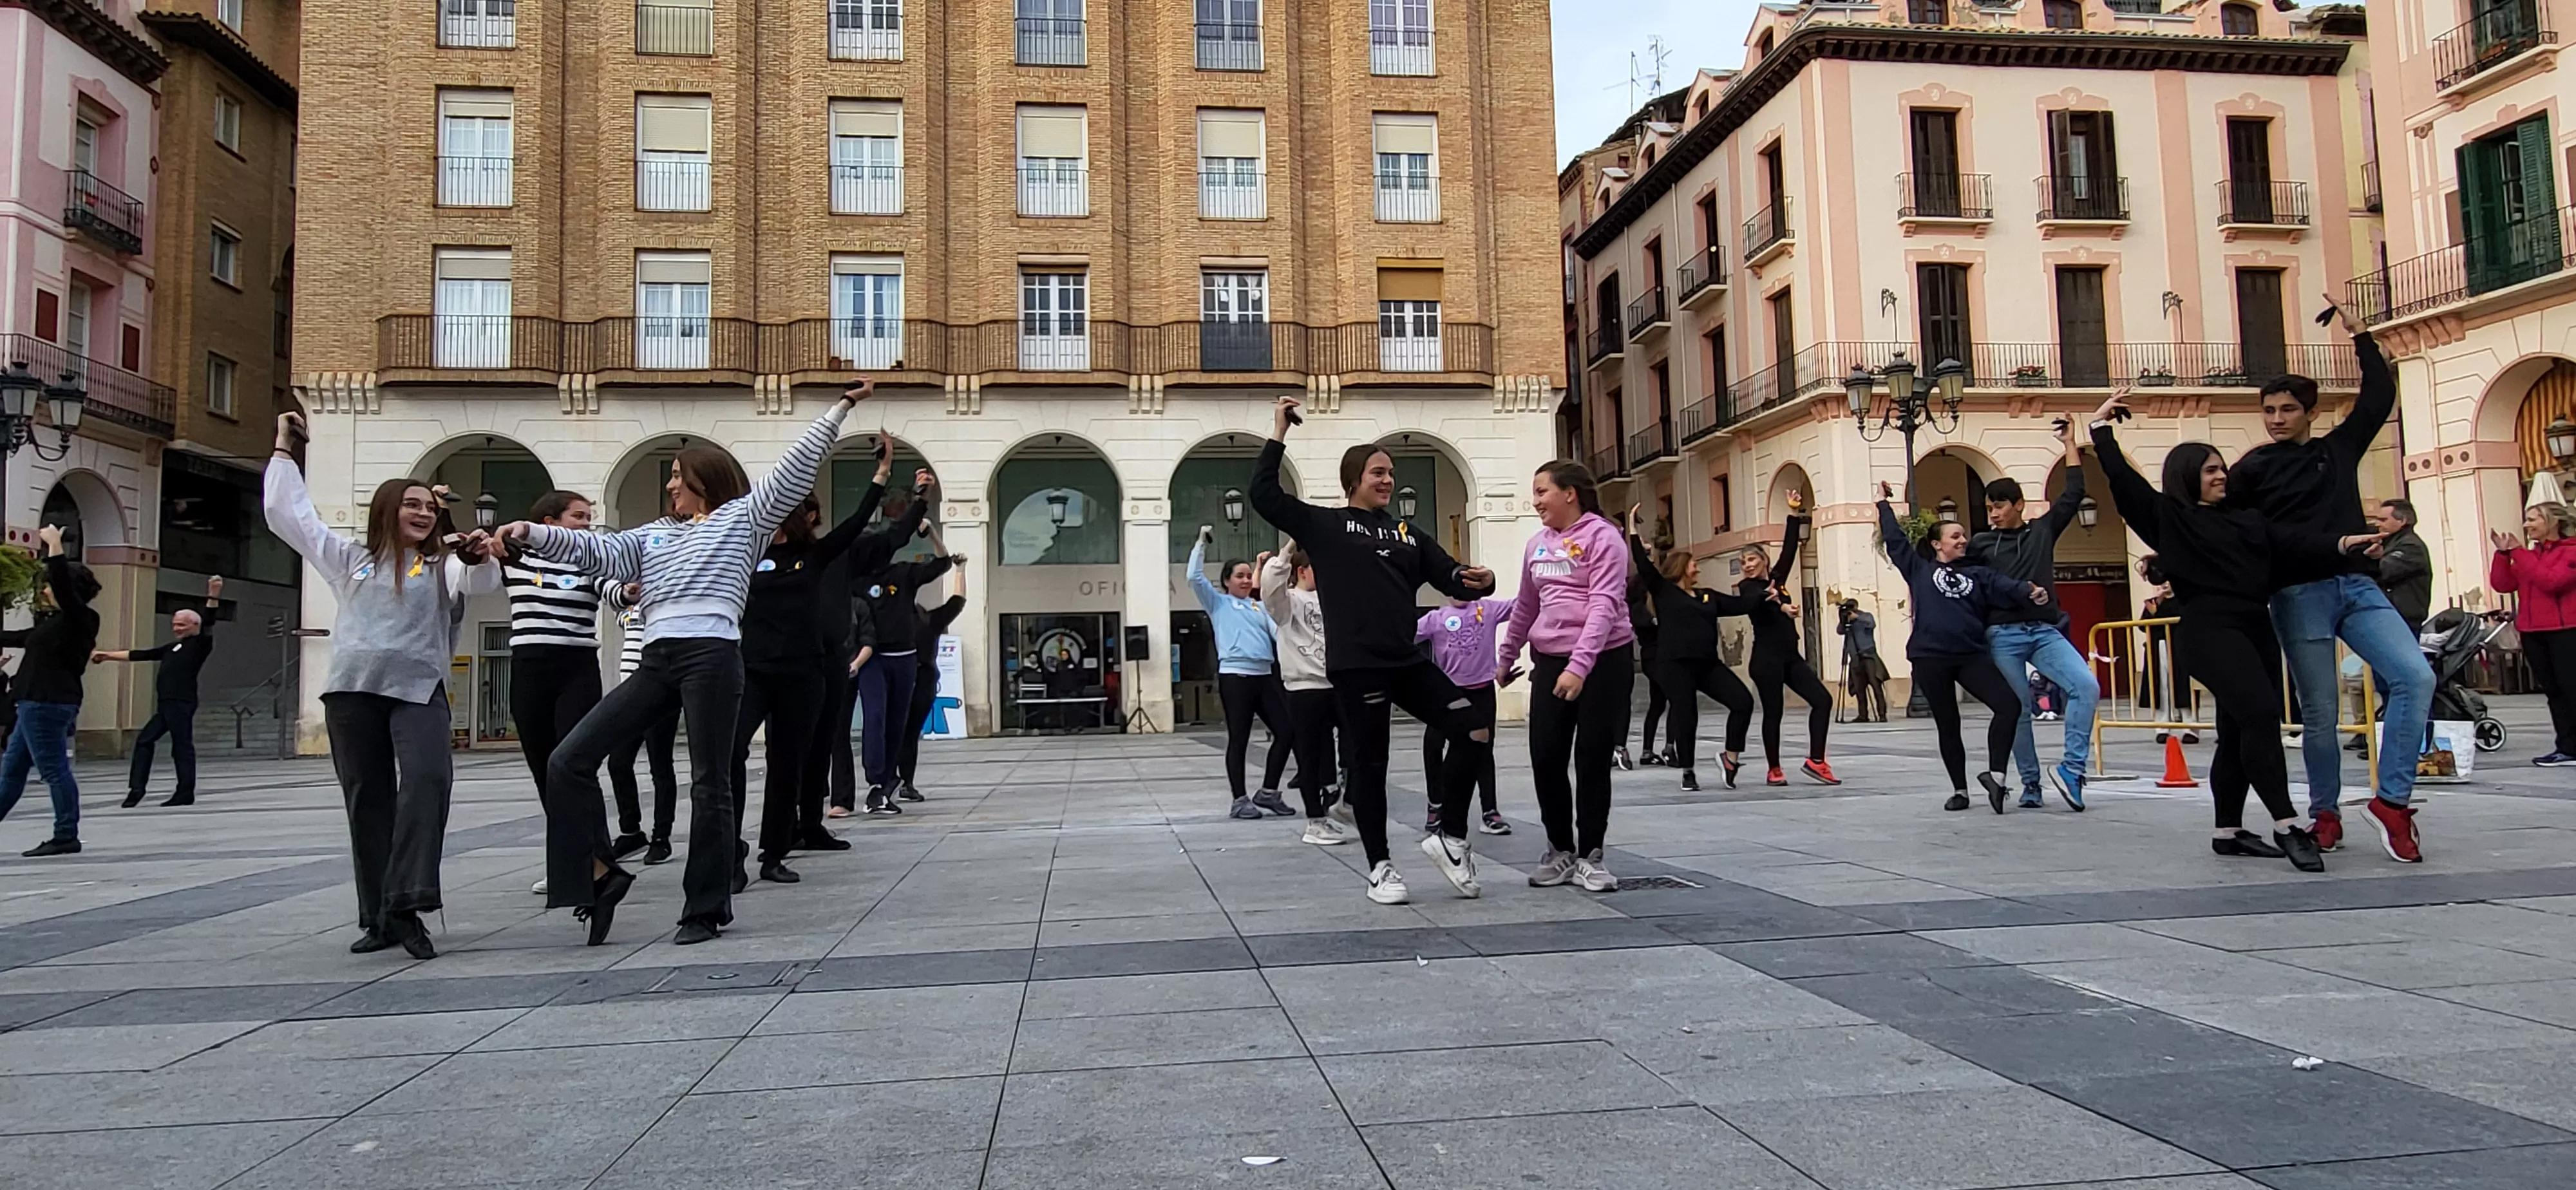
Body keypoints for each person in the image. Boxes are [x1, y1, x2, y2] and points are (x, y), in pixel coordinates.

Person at [499, 382, 870, 947]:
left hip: (713, 655)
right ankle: (597, 877)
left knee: (709, 782)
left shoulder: (743, 520)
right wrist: (530, 533)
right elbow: (595, 551)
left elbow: (793, 472)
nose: (670, 485)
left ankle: (704, 907)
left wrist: (839, 410)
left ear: (703, 480)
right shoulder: (651, 537)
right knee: (567, 760)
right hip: (656, 658)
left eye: (677, 475)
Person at [2092, 392, 2387, 874]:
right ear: (2188, 477)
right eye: (2210, 470)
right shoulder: (2170, 519)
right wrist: (2102, 430)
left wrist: (2344, 543)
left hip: (2255, 626)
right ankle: (2288, 823)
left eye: (2221, 467)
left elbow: (2295, 544)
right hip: (2210, 630)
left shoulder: (2248, 521)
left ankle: (2227, 831)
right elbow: (2123, 483)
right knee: (2261, 714)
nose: (2221, 475)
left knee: (2236, 731)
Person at [264, 412, 502, 956]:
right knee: (367, 799)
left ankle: (408, 898)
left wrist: (478, 554)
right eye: (412, 504)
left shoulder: (443, 564)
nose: (423, 512)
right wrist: (284, 450)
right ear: (388, 511)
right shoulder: (350, 559)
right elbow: (288, 516)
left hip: (419, 692)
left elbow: (480, 579)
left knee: (427, 781)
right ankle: (379, 918)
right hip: (352, 692)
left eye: (430, 506)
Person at [1249, 395, 1497, 905]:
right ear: (1354, 480)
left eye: (1391, 473)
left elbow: (1449, 573)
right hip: (1357, 667)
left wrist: (1480, 581)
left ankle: (1450, 837)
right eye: (1378, 472)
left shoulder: (1407, 532)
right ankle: (1380, 867)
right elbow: (1265, 495)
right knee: (1370, 767)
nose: (1387, 480)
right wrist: (1279, 432)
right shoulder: (1326, 525)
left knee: (1473, 727)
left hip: (1405, 661)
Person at [2227, 296, 2434, 862]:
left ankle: (2392, 802)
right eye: (2269, 410)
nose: (2276, 419)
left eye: (2288, 409)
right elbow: (2228, 525)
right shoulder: (2251, 471)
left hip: (2359, 587)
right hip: (2298, 596)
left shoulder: (2337, 450)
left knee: (2416, 678)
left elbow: (2378, 398)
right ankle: (2325, 813)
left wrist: (2362, 335)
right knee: (2321, 711)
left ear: (2310, 413)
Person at [734, 483, 927, 884]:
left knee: (820, 744)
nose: (804, 515)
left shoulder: (829, 554)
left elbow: (883, 535)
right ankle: (740, 845)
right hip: (760, 664)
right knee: (746, 752)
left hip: (823, 659)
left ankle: (804, 827)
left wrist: (906, 494)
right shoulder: (748, 554)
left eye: (808, 509)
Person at [1495, 461, 1634, 892]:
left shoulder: (1604, 537)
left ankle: (1592, 855)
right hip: (1551, 660)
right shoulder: (1537, 545)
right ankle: (1560, 851)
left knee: (1592, 759)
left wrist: (1580, 666)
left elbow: (1605, 604)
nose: (1535, 501)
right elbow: (1526, 605)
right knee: (1545, 756)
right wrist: (1506, 654)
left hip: (1604, 659)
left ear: (1569, 493)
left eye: (1542, 492)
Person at [1875, 483, 2050, 813]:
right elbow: (1896, 543)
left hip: (1971, 655)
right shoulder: (1919, 569)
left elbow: (2008, 586)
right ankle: (1960, 791)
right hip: (1930, 657)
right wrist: (1884, 505)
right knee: (1948, 723)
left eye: (1963, 535)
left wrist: (2032, 592)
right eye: (1954, 536)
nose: (1962, 540)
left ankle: (1996, 777)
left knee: (2009, 706)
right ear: (1937, 544)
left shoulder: (1978, 573)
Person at [1967, 420, 2098, 809]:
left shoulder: (2041, 532)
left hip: (2043, 630)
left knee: (2086, 688)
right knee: (2019, 708)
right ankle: (2031, 784)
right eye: (1989, 507)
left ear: (2018, 505)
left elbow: (2074, 493)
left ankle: (2072, 770)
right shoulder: (1981, 543)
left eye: (1999, 507)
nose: (1993, 514)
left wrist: (2070, 443)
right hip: (2002, 634)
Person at [500, 492, 620, 890]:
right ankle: (568, 863)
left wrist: (630, 594)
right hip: (530, 668)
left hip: (576, 667)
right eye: (579, 517)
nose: (587, 524)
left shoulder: (588, 558)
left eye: (590, 517)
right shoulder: (516, 560)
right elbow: (479, 562)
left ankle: (599, 858)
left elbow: (614, 592)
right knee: (543, 769)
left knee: (573, 764)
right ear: (550, 523)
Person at [1624, 507, 1761, 791]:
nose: (1697, 567)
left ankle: (1730, 758)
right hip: (1674, 664)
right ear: (1681, 567)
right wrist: (1632, 531)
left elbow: (1740, 605)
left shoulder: (1707, 595)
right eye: (1693, 563)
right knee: (1686, 714)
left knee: (1742, 702)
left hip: (1708, 664)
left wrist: (1767, 594)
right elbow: (1643, 564)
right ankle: (1688, 770)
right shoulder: (1664, 591)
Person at [0, 525, 102, 857]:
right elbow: (18, 638)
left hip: (47, 702)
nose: (45, 589)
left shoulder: (81, 618)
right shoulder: (56, 623)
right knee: (12, 770)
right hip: (33, 703)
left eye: (49, 585)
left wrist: (55, 544)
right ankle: (64, 832)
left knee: (54, 769)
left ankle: (65, 834)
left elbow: (59, 580)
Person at [1191, 527, 1296, 819]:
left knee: (1287, 732)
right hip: (1235, 677)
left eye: (1249, 575)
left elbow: (1280, 634)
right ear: (1226, 581)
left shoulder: (1259, 607)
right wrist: (1201, 544)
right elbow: (1194, 578)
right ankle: (1239, 799)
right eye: (1240, 576)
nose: (1246, 580)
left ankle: (1269, 792)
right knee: (1239, 738)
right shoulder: (1218, 603)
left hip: (1263, 676)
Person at [853, 516, 955, 815]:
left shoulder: (903, 573)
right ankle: (876, 780)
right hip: (872, 658)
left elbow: (943, 563)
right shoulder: (854, 580)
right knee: (875, 717)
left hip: (904, 658)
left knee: (898, 723)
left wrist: (932, 534)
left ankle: (886, 785)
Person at [97, 575, 224, 808]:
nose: (176, 628)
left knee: (181, 746)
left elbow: (209, 621)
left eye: (182, 625)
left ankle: (185, 792)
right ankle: (137, 789)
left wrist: (213, 595)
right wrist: (107, 656)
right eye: (175, 624)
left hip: (181, 701)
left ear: (194, 626)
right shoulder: (173, 647)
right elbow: (141, 654)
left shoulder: (200, 644)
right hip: (166, 703)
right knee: (145, 740)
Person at [1739, 493, 1837, 785]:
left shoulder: (1776, 580)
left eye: (1752, 559)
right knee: (1774, 713)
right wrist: (1780, 605)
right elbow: (1758, 599)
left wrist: (1794, 514)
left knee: (1822, 700)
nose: (1747, 564)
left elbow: (1790, 550)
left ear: (1764, 560)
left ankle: (1817, 761)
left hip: (1790, 656)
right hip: (1766, 658)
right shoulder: (1748, 587)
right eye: (1743, 561)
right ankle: (1774, 769)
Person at [1260, 545, 1350, 845]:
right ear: (1302, 571)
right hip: (1304, 687)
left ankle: (1345, 799)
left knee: (1357, 742)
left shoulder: (1332, 598)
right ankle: (1315, 821)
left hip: (1336, 683)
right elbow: (1270, 588)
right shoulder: (1288, 603)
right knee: (1309, 757)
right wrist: (1286, 551)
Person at [1417, 589, 1512, 836]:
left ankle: (1489, 811)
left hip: (1482, 691)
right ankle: (1436, 805)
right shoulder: (1435, 618)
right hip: (1448, 693)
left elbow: (1522, 605)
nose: (1459, 593)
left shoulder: (1487, 609)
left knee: (1484, 749)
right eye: (1453, 587)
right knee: (1434, 745)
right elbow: (1403, 637)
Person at [2491, 501, 2576, 766]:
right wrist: (2504, 555)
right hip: (2532, 631)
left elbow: (2551, 582)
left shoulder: (2570, 552)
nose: (2527, 525)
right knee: (2553, 691)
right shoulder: (2530, 554)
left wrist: (2519, 551)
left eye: (2533, 520)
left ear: (2552, 522)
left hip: (2566, 630)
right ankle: (2568, 747)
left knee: (2571, 688)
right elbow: (2503, 585)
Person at [2352, 499, 2436, 755]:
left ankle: (2419, 742)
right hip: (2386, 621)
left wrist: (2370, 560)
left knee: (2404, 681)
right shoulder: (2390, 544)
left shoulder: (2410, 547)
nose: (2379, 524)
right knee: (2386, 683)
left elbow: (2383, 570)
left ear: (2402, 521)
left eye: (2385, 520)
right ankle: (2389, 740)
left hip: (2403, 620)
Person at [603, 591, 677, 865]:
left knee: (660, 766)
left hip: (660, 691)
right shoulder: (626, 606)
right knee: (618, 763)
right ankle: (631, 830)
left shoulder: (663, 599)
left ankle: (662, 837)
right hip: (629, 693)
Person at [891, 558, 969, 799]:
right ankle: (905, 783)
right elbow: (958, 601)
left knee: (896, 732)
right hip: (922, 677)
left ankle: (890, 782)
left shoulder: (892, 619)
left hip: (901, 677)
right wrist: (960, 569)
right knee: (910, 734)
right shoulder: (928, 621)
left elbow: (957, 602)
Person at [1618, 573, 1666, 769]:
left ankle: (1649, 750)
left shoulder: (1649, 606)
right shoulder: (1639, 608)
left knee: (1659, 703)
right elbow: (1648, 625)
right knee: (1670, 699)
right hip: (1652, 657)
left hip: (1658, 656)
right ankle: (1663, 748)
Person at [1838, 600, 1888, 723]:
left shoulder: (1866, 616)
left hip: (1869, 656)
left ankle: (1882, 714)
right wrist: (1843, 620)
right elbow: (1840, 631)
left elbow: (1871, 624)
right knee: (1859, 689)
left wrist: (1857, 617)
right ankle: (1863, 715)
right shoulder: (1847, 622)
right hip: (1855, 659)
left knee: (1876, 686)